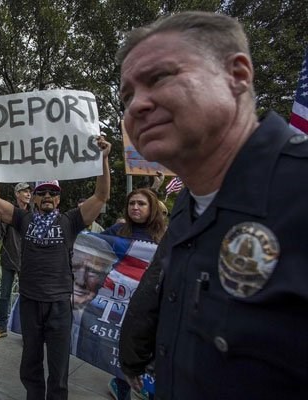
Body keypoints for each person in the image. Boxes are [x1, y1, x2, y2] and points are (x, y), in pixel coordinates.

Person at [117, 11, 307, 399]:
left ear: (237, 74)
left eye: (159, 78)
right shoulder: (187, 209)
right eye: (126, 96)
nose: (136, 106)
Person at [0, 135, 111, 400]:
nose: (48, 196)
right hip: (30, 301)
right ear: (34, 197)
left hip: (59, 304)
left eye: (53, 192)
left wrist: (104, 158)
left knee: (58, 367)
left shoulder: (71, 221)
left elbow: (101, 195)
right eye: (41, 192)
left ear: (59, 198)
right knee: (30, 363)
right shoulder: (23, 219)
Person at [97, 188, 165, 400]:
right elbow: (93, 246)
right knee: (118, 343)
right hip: (116, 300)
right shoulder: (118, 230)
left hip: (146, 306)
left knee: (141, 346)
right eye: (132, 203)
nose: (135, 207)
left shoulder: (163, 236)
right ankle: (120, 386)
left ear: (151, 207)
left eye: (141, 204)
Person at [0, 182, 32, 341]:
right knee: (4, 296)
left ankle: (29, 331)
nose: (28, 194)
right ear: (17, 194)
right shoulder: (8, 212)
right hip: (9, 259)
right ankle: (1, 327)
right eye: (24, 191)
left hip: (27, 262)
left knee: (28, 296)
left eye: (29, 191)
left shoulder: (33, 214)